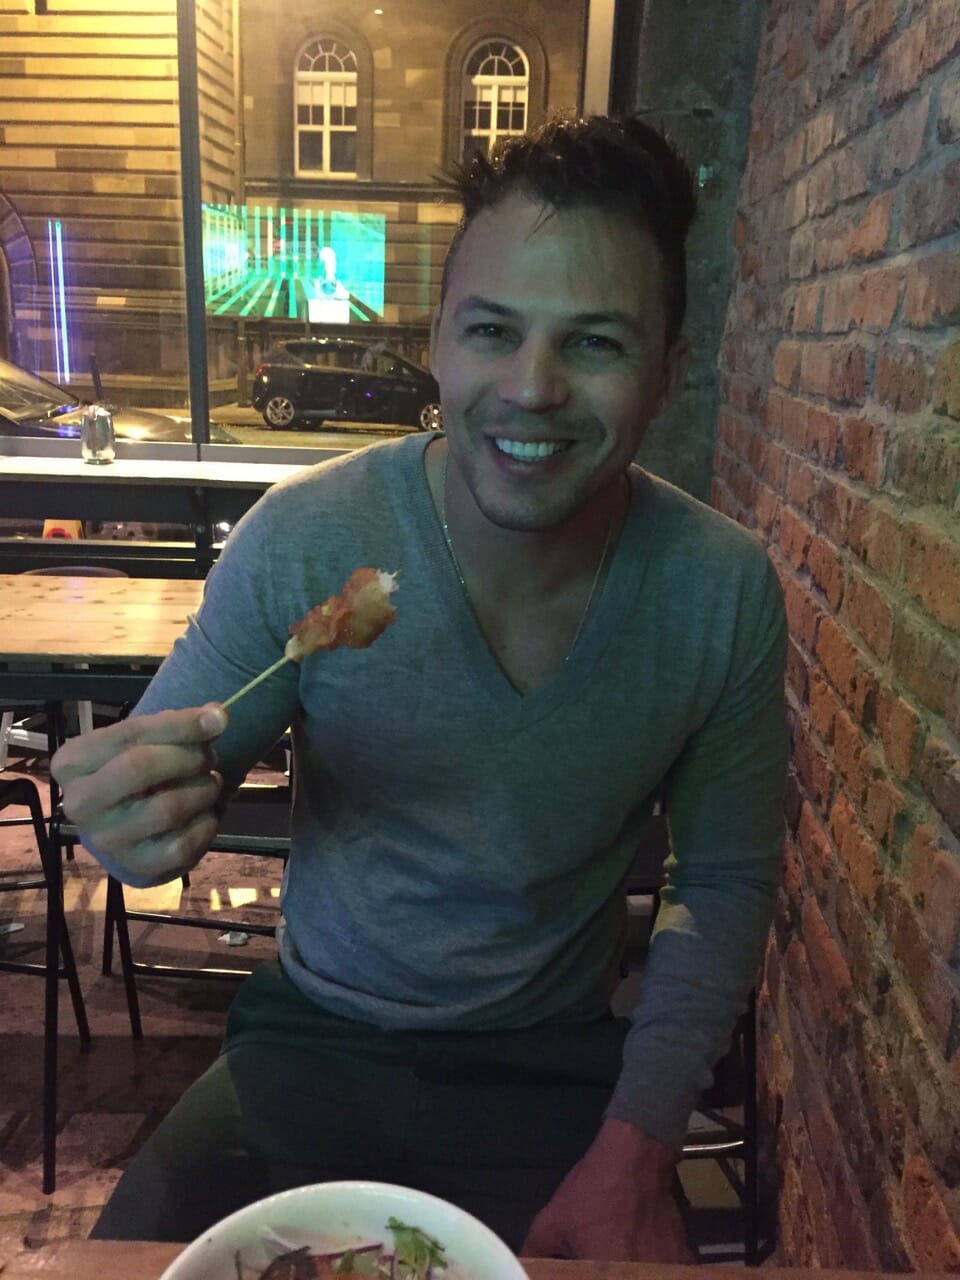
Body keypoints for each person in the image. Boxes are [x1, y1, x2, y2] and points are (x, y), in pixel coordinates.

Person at [52, 113, 787, 1261]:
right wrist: (130, 818)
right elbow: (170, 772)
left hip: (557, 1065)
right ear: (439, 341)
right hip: (311, 1040)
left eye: (595, 343)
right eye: (493, 329)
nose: (532, 388)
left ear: (669, 376)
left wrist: (641, 1141)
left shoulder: (722, 591)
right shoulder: (307, 538)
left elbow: (727, 879)